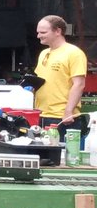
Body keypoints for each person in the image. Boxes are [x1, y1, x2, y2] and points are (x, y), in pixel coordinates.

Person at [33, 14, 89, 145]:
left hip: (62, 117)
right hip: (41, 114)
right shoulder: (44, 53)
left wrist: (68, 111)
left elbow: (79, 84)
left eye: (43, 32)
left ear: (58, 31)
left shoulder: (74, 53)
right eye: (38, 32)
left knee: (61, 157)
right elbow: (40, 81)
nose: (38, 36)